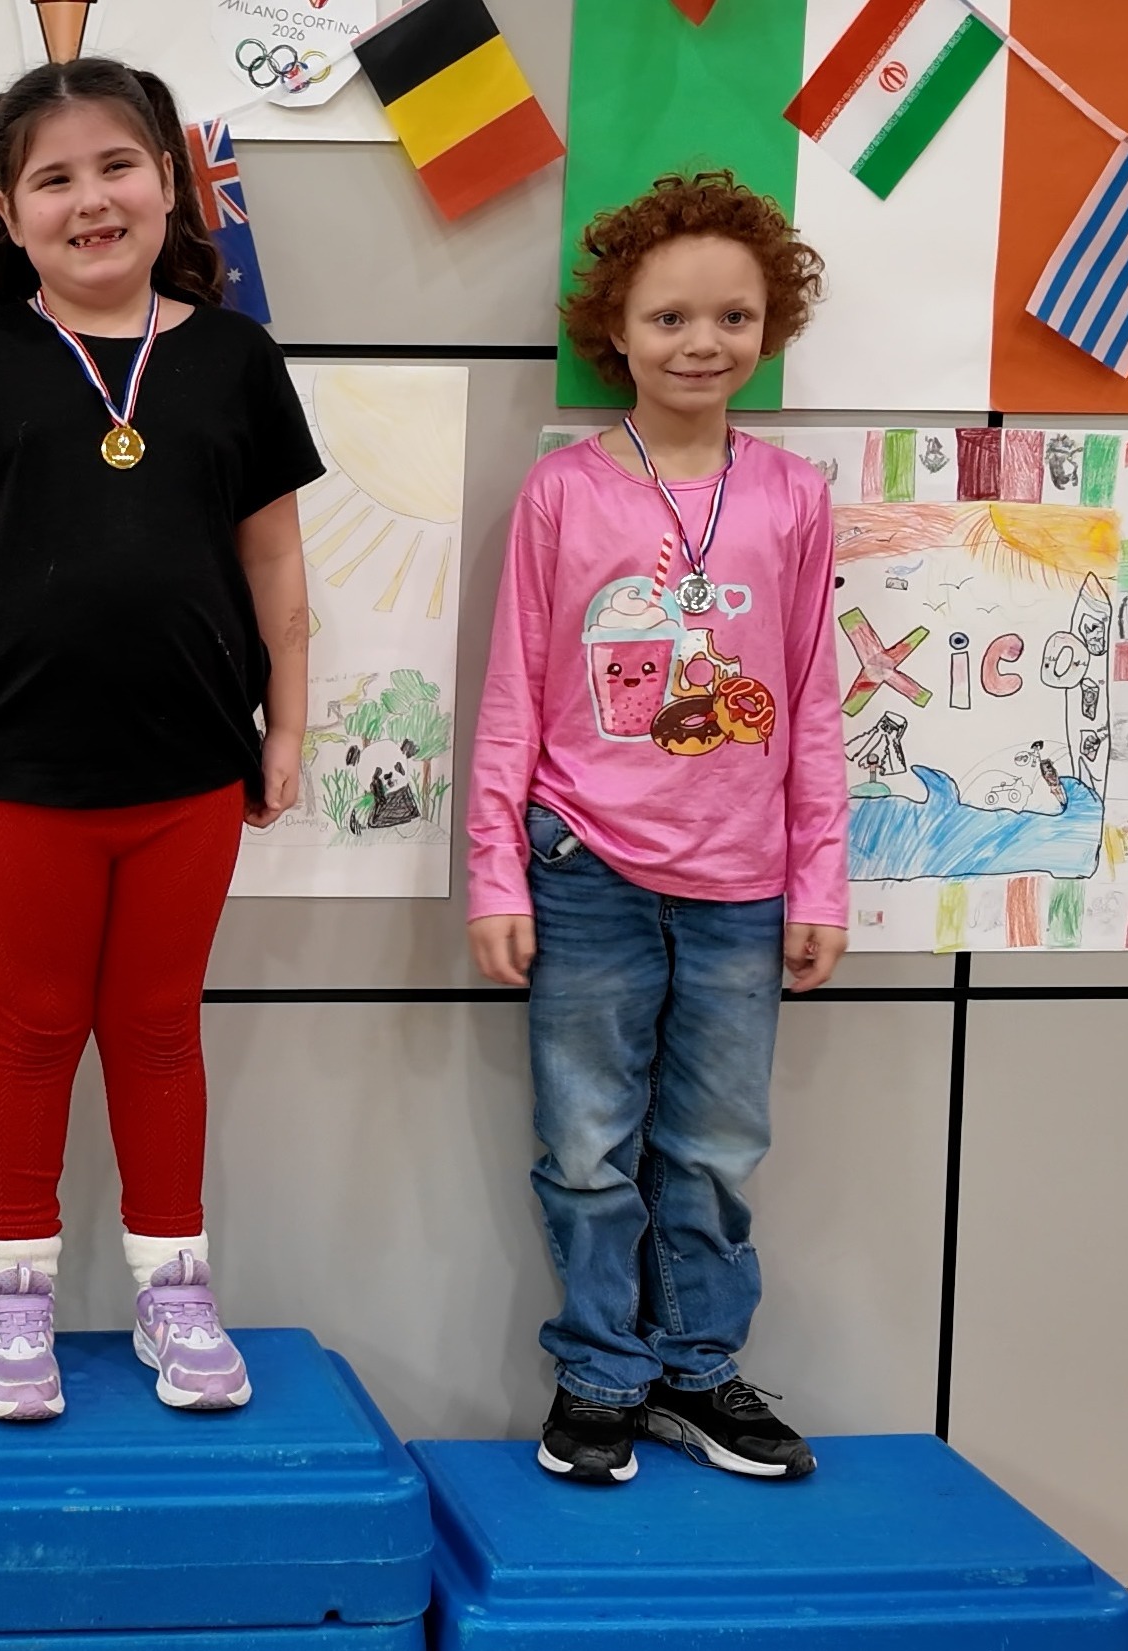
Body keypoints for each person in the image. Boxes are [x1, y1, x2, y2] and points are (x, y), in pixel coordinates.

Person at [0, 55, 324, 1422]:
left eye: (117, 166)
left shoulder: (236, 358)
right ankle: (13, 1295)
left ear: (171, 183)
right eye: (53, 179)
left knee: (159, 1027)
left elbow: (280, 576)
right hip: (17, 763)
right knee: (33, 1023)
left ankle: (173, 1286)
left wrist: (287, 723)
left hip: (189, 762)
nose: (91, 200)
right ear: (7, 213)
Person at [467, 172, 845, 1486]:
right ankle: (599, 1376)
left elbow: (813, 702)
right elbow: (514, 692)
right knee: (586, 1147)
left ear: (769, 327)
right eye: (672, 316)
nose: (703, 342)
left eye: (733, 316)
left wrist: (822, 885)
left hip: (746, 889)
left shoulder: (794, 497)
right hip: (583, 867)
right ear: (613, 330)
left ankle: (697, 1370)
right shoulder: (565, 494)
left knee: (717, 1149)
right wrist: (492, 876)